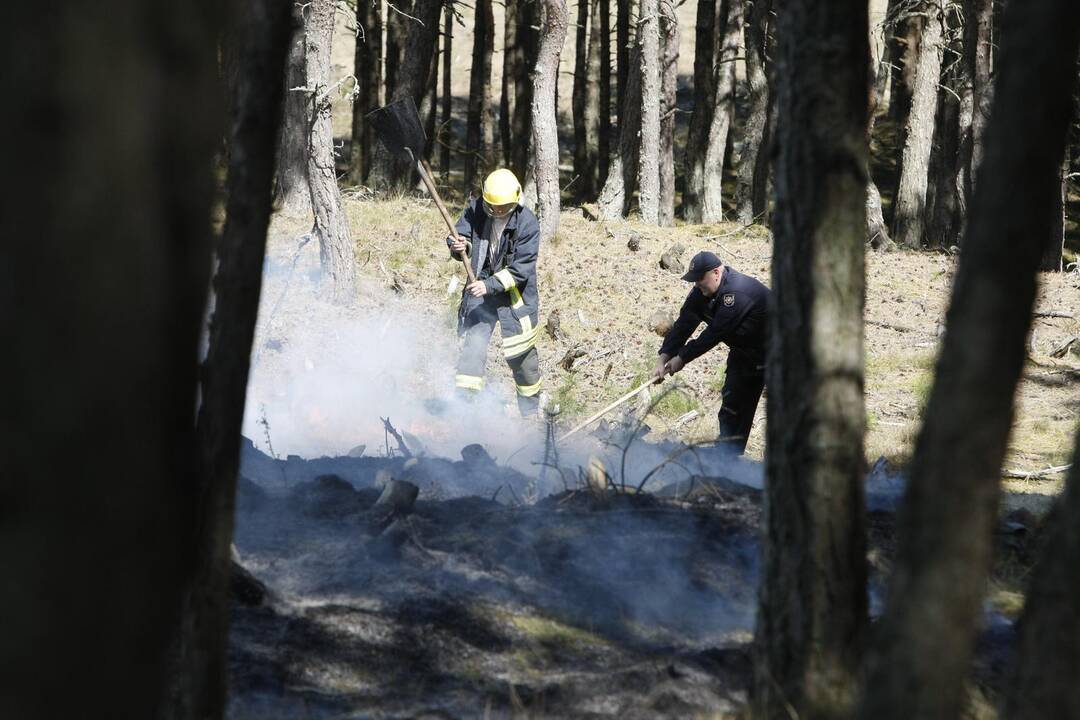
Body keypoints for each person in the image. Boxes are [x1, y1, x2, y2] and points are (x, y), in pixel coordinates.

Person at [447, 168, 544, 415]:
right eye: (494, 207)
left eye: (504, 207)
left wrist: (488, 285)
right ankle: (464, 408)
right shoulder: (477, 208)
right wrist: (459, 244)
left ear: (515, 200)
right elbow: (463, 232)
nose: (499, 212)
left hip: (515, 296)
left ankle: (530, 413)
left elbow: (521, 269)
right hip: (481, 292)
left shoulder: (528, 223)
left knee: (522, 356)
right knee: (473, 348)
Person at [653, 251, 770, 453]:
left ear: (716, 272)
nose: (697, 284)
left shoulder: (736, 292)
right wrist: (662, 358)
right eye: (694, 280)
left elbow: (715, 333)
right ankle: (726, 464)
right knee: (732, 408)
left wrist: (682, 358)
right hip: (744, 354)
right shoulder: (701, 292)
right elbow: (683, 326)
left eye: (700, 279)